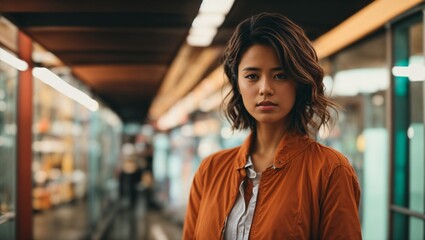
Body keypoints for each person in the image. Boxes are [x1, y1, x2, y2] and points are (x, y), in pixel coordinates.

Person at [183, 12, 362, 239]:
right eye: (252, 76)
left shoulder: (330, 170)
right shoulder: (210, 170)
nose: (265, 88)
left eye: (280, 75)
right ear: (237, 83)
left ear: (299, 82)